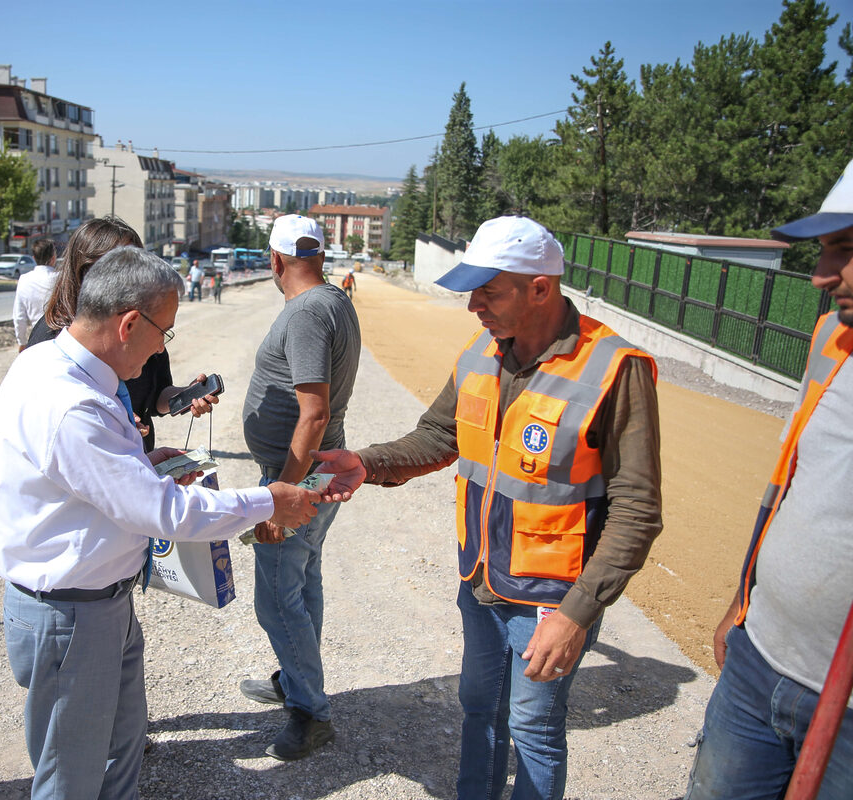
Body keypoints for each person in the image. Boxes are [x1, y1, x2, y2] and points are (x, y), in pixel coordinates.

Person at [0, 246, 354, 800]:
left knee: (121, 750)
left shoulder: (51, 364)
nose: (162, 346)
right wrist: (268, 501)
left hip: (98, 604)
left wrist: (140, 464)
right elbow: (165, 514)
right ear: (129, 323)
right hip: (71, 616)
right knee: (72, 779)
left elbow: (88, 477)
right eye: (164, 332)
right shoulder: (72, 403)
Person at [313, 215, 662, 800]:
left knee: (534, 730)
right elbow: (439, 436)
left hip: (551, 599)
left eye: (489, 291)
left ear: (541, 288)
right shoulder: (481, 351)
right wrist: (367, 463)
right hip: (480, 583)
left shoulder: (614, 369)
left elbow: (637, 509)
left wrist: (577, 613)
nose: (474, 304)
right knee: (478, 708)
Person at [684, 159, 853, 800]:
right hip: (760, 663)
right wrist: (742, 603)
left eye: (847, 248)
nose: (820, 276)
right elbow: (786, 484)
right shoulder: (833, 339)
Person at [238, 214, 361, 761]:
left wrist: (279, 497)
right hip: (316, 471)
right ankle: (296, 679)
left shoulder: (308, 313)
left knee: (276, 600)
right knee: (301, 582)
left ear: (275, 260)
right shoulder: (335, 300)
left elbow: (313, 414)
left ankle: (311, 713)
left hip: (300, 475)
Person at [27, 216, 216, 452]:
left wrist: (185, 396)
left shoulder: (143, 327)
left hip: (133, 459)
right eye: (122, 265)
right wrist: (113, 423)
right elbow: (52, 423)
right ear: (86, 270)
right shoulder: (51, 338)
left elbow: (155, 396)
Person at [12, 237, 59, 352]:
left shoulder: (24, 279)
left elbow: (19, 317)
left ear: (34, 258)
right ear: (53, 258)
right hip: (59, 339)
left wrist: (22, 342)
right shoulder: (61, 278)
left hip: (36, 339)